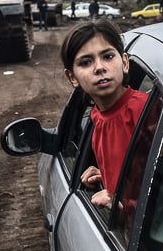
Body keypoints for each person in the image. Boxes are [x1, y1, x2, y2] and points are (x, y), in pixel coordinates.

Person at [61, 20, 149, 209]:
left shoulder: (145, 111)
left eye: (108, 56)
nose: (99, 67)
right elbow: (136, 169)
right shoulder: (97, 116)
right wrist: (108, 175)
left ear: (125, 63)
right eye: (86, 62)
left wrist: (122, 202)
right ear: (72, 78)